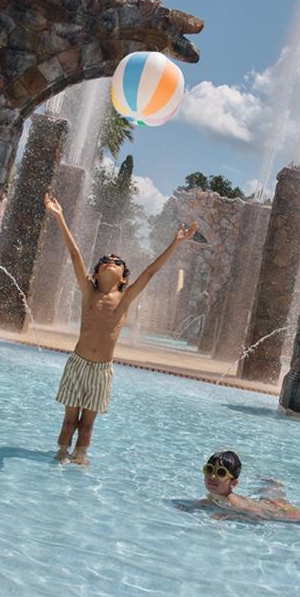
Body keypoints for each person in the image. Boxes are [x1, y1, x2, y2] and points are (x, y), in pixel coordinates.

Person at [44, 192, 197, 465]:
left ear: (124, 277)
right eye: (105, 259)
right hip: (78, 364)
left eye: (116, 262)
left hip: (102, 370)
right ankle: (60, 454)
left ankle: (80, 457)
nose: (109, 262)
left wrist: (176, 243)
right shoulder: (89, 292)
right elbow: (75, 254)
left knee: (87, 425)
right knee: (69, 421)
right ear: (95, 272)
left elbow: (150, 272)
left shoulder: (125, 298)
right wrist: (60, 217)